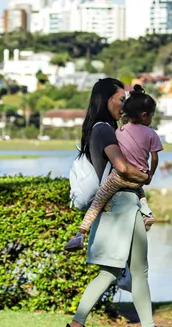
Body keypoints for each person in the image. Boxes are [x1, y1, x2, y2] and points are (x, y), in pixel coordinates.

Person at [58, 78, 172, 327]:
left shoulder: (110, 129)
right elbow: (122, 167)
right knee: (125, 271)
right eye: (120, 99)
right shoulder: (103, 129)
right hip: (121, 205)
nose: (124, 105)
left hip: (122, 205)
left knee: (125, 271)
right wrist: (145, 177)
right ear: (106, 100)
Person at [64, 85, 162, 250]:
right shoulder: (152, 134)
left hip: (119, 178)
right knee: (140, 192)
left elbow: (121, 166)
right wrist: (149, 175)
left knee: (98, 201)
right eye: (151, 115)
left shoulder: (118, 131)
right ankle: (148, 213)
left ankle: (80, 233)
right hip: (139, 176)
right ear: (144, 115)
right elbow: (155, 157)